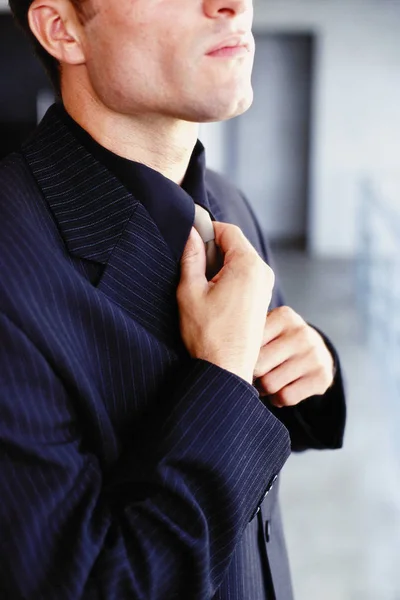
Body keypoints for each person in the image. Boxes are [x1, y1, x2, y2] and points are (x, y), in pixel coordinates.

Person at [0, 0, 346, 598]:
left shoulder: (228, 203)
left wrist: (313, 364)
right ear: (63, 29)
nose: (233, 4)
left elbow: (268, 410)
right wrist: (219, 375)